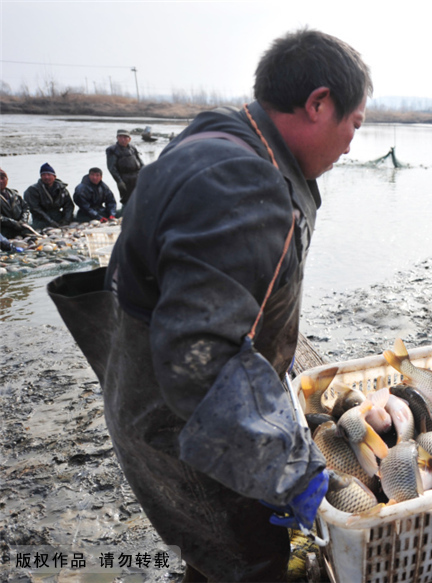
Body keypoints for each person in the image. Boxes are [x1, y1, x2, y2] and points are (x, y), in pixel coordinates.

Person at [48, 28, 370, 582]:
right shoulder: (242, 182)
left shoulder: (219, 135)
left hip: (146, 399)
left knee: (216, 559)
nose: (351, 144)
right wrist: (293, 471)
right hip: (187, 432)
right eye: (354, 124)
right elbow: (200, 363)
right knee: (259, 563)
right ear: (319, 103)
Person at [24, 163, 74, 230]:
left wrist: (66, 220)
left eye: (49, 175)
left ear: (54, 176)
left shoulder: (62, 188)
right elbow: (35, 209)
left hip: (58, 216)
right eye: (44, 175)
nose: (46, 177)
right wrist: (50, 222)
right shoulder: (32, 190)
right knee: (28, 230)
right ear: (41, 176)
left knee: (77, 220)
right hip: (41, 220)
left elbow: (69, 205)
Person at [106, 129, 144, 208]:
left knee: (139, 196)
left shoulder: (133, 148)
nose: (123, 139)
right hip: (124, 178)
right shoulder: (112, 150)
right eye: (120, 137)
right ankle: (125, 214)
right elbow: (111, 168)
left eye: (125, 137)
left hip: (137, 176)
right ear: (117, 138)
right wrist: (119, 181)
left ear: (129, 139)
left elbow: (140, 161)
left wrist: (145, 172)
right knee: (126, 199)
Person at [0, 168, 32, 239]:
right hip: (3, 231)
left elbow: (25, 207)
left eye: (2, 178)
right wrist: (13, 223)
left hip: (19, 228)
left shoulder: (15, 194)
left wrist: (23, 220)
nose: (0, 181)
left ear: (7, 179)